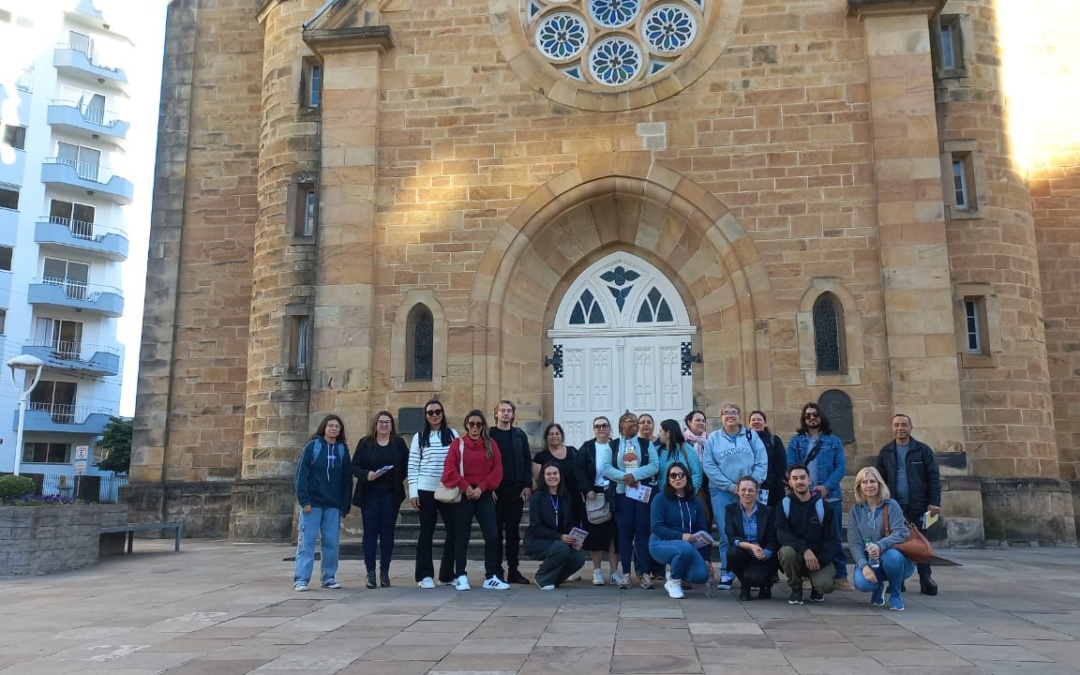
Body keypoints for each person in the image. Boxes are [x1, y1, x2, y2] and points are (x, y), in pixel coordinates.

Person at [786, 402, 851, 591]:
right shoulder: (796, 441)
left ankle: (841, 575)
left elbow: (840, 467)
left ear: (821, 416)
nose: (811, 418)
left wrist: (826, 487)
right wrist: (804, 487)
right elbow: (791, 466)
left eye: (814, 414)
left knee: (835, 535)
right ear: (803, 419)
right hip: (803, 497)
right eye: (807, 416)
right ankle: (804, 574)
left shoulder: (834, 441)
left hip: (830, 496)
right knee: (803, 534)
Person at [702, 403, 767, 591]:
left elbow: (762, 461)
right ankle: (727, 572)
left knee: (752, 531)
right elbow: (709, 466)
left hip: (748, 492)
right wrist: (731, 487)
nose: (730, 416)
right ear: (721, 417)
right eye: (726, 413)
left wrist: (749, 485)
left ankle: (753, 572)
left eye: (734, 413)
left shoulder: (750, 435)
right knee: (725, 533)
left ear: (739, 416)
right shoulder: (713, 439)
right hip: (722, 491)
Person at [875, 413, 942, 595]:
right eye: (896, 425)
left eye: (903, 425)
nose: (900, 428)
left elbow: (933, 478)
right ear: (892, 428)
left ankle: (925, 578)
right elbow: (878, 479)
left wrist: (934, 502)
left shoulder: (923, 451)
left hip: (918, 505)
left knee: (920, 542)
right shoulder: (886, 452)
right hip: (894, 507)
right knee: (895, 543)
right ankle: (898, 580)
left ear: (910, 427)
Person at [442, 409, 507, 591]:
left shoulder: (491, 445)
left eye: (479, 424)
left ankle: (490, 575)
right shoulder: (458, 444)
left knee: (492, 535)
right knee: (462, 536)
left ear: (483, 426)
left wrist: (482, 487)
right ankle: (461, 574)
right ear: (466, 425)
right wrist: (466, 486)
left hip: (483, 494)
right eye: (472, 424)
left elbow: (497, 470)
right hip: (464, 494)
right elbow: (450, 469)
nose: (475, 427)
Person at [293, 414, 353, 592]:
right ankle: (301, 579)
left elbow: (347, 479)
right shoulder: (313, 446)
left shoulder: (342, 449)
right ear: (324, 428)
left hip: (333, 505)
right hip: (313, 504)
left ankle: (328, 577)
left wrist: (345, 504)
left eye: (337, 426)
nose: (334, 429)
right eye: (331, 426)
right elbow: (301, 474)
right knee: (307, 543)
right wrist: (304, 500)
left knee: (331, 543)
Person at [601, 411, 660, 589]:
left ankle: (645, 574)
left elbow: (654, 466)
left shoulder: (645, 444)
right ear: (621, 426)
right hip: (622, 495)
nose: (635, 424)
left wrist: (634, 476)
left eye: (636, 421)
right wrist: (624, 477)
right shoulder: (613, 446)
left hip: (641, 495)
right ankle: (626, 574)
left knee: (643, 535)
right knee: (625, 536)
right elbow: (606, 468)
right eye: (630, 421)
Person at [351, 411, 408, 589]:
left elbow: (406, 465)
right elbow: (354, 466)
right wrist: (367, 475)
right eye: (381, 422)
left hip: (391, 494)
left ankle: (384, 573)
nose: (384, 425)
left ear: (392, 425)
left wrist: (397, 477)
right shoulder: (365, 443)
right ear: (375, 424)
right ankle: (370, 573)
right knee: (370, 533)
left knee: (387, 533)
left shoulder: (398, 443)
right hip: (370, 494)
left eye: (388, 422)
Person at [848, 466, 916, 611]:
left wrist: (880, 545)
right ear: (859, 486)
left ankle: (896, 594)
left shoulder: (891, 505)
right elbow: (854, 543)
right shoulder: (856, 511)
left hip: (896, 559)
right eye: (864, 482)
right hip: (871, 561)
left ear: (879, 484)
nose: (869, 486)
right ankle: (878, 588)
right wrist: (864, 566)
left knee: (891, 557)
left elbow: (900, 533)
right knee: (862, 583)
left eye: (872, 481)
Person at [408, 399, 459, 589]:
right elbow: (413, 465)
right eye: (430, 412)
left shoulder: (453, 434)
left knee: (453, 530)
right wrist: (414, 492)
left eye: (438, 411)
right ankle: (424, 575)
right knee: (426, 531)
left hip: (448, 488)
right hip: (426, 489)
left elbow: (458, 462)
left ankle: (447, 574)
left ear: (443, 414)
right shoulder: (419, 437)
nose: (435, 415)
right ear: (426, 415)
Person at [648, 461, 713, 599]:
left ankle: (676, 568)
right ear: (668, 479)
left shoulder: (695, 501)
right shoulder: (660, 499)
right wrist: (681, 536)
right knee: (685, 547)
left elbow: (702, 530)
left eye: (681, 475)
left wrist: (706, 558)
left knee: (701, 575)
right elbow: (657, 527)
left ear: (687, 477)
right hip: (660, 543)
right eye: (673, 476)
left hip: (687, 545)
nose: (677, 478)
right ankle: (674, 581)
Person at [776, 464, 838, 605]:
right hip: (796, 554)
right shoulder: (783, 505)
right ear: (790, 482)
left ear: (809, 480)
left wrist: (819, 560)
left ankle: (817, 588)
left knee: (826, 586)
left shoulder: (824, 507)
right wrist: (805, 550)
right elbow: (782, 535)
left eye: (803, 477)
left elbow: (831, 539)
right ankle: (796, 589)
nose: (799, 481)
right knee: (786, 552)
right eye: (795, 478)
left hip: (818, 558)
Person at [573, 416, 622, 586]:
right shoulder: (587, 447)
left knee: (614, 535)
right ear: (594, 429)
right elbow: (578, 469)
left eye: (604, 425)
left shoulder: (617, 446)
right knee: (596, 533)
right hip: (595, 493)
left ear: (610, 428)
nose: (601, 429)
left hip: (615, 492)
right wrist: (587, 489)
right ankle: (597, 571)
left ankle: (615, 572)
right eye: (597, 426)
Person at [489, 400, 533, 585]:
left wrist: (527, 485)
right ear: (496, 414)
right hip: (495, 492)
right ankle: (496, 570)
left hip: (515, 491)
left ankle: (514, 571)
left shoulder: (519, 435)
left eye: (509, 411)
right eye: (502, 410)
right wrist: (489, 487)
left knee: (513, 533)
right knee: (496, 533)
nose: (505, 413)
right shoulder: (489, 434)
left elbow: (526, 460)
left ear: (513, 415)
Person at [524, 462, 586, 590]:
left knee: (578, 557)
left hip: (558, 540)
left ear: (560, 476)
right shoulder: (537, 497)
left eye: (555, 473)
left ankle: (553, 579)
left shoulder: (565, 497)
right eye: (548, 474)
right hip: (537, 540)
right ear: (543, 477)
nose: (552, 477)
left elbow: (569, 523)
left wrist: (574, 539)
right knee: (561, 548)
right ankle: (542, 578)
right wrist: (560, 537)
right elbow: (536, 526)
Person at [725, 476, 779, 601]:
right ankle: (745, 586)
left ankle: (766, 585)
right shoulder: (730, 510)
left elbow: (773, 539)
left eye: (750, 490)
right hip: (744, 552)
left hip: (761, 554)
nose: (746, 493)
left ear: (757, 491)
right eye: (743, 490)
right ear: (738, 491)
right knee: (732, 552)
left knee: (755, 577)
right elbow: (731, 537)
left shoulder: (768, 511)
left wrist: (765, 553)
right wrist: (750, 546)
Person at [532, 423, 581, 525]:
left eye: (557, 433)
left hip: (574, 496)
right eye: (551, 434)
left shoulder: (573, 451)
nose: (554, 436)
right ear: (546, 437)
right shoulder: (540, 457)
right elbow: (536, 480)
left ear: (561, 436)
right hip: (553, 499)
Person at [748, 411, 787, 508]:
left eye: (759, 419)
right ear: (749, 424)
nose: (756, 422)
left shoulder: (774, 440)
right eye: (753, 420)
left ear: (764, 423)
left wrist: (776, 482)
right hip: (751, 487)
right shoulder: (744, 441)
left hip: (774, 489)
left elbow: (782, 463)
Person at [683, 410, 712, 527]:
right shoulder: (682, 441)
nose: (701, 423)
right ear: (689, 422)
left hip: (708, 482)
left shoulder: (711, 440)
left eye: (703, 421)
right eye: (698, 420)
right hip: (688, 481)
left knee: (708, 513)